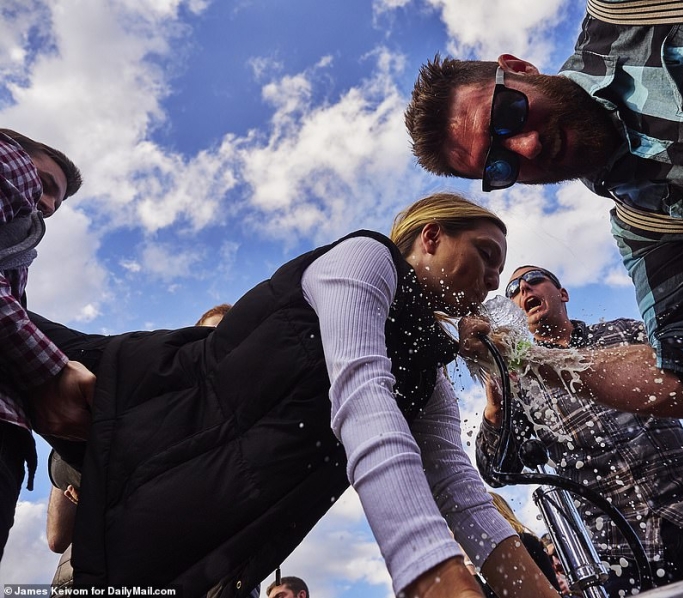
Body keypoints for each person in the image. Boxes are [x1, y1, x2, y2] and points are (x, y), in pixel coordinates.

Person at [34, 193, 560, 598]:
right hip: (146, 408)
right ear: (430, 237)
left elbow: (460, 493)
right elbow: (361, 396)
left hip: (197, 528)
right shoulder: (364, 259)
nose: (494, 282)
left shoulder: (430, 377)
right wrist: (430, 574)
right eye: (486, 255)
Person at [405, 8, 683, 427]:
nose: (528, 147)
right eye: (501, 166)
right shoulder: (650, 224)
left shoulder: (628, 16)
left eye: (509, 113)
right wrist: (517, 356)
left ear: (518, 68)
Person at [469, 266, 683, 595]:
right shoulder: (518, 380)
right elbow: (497, 473)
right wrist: (495, 414)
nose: (523, 288)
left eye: (533, 278)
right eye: (513, 289)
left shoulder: (622, 332)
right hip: (620, 556)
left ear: (562, 292)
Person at [44, 303, 236, 587]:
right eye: (207, 337)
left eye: (232, 340)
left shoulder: (241, 441)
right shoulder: (137, 403)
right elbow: (58, 538)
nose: (218, 348)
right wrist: (84, 477)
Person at [0, 128, 89, 560]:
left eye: (57, 203)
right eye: (48, 185)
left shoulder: (17, 244)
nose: (49, 205)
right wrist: (52, 371)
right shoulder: (9, 158)